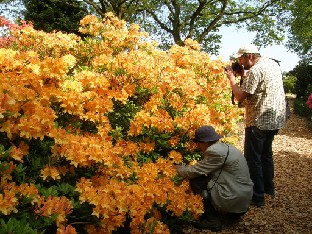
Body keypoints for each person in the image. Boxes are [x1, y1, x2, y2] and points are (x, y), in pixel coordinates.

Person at [224, 44, 287, 207]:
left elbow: (239, 97)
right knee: (266, 154)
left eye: (241, 58)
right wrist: (243, 74)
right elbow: (259, 86)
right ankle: (268, 188)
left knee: (253, 159)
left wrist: (232, 79)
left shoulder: (255, 71)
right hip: (275, 119)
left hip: (258, 121)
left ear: (249, 56)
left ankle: (257, 197)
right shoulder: (271, 63)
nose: (240, 62)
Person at [175, 125, 253, 231]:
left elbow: (193, 172)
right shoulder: (226, 147)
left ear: (205, 142)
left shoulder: (214, 152)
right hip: (242, 199)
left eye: (198, 143)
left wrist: (175, 169)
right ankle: (227, 212)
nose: (197, 146)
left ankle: (212, 221)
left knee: (196, 180)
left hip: (234, 199)